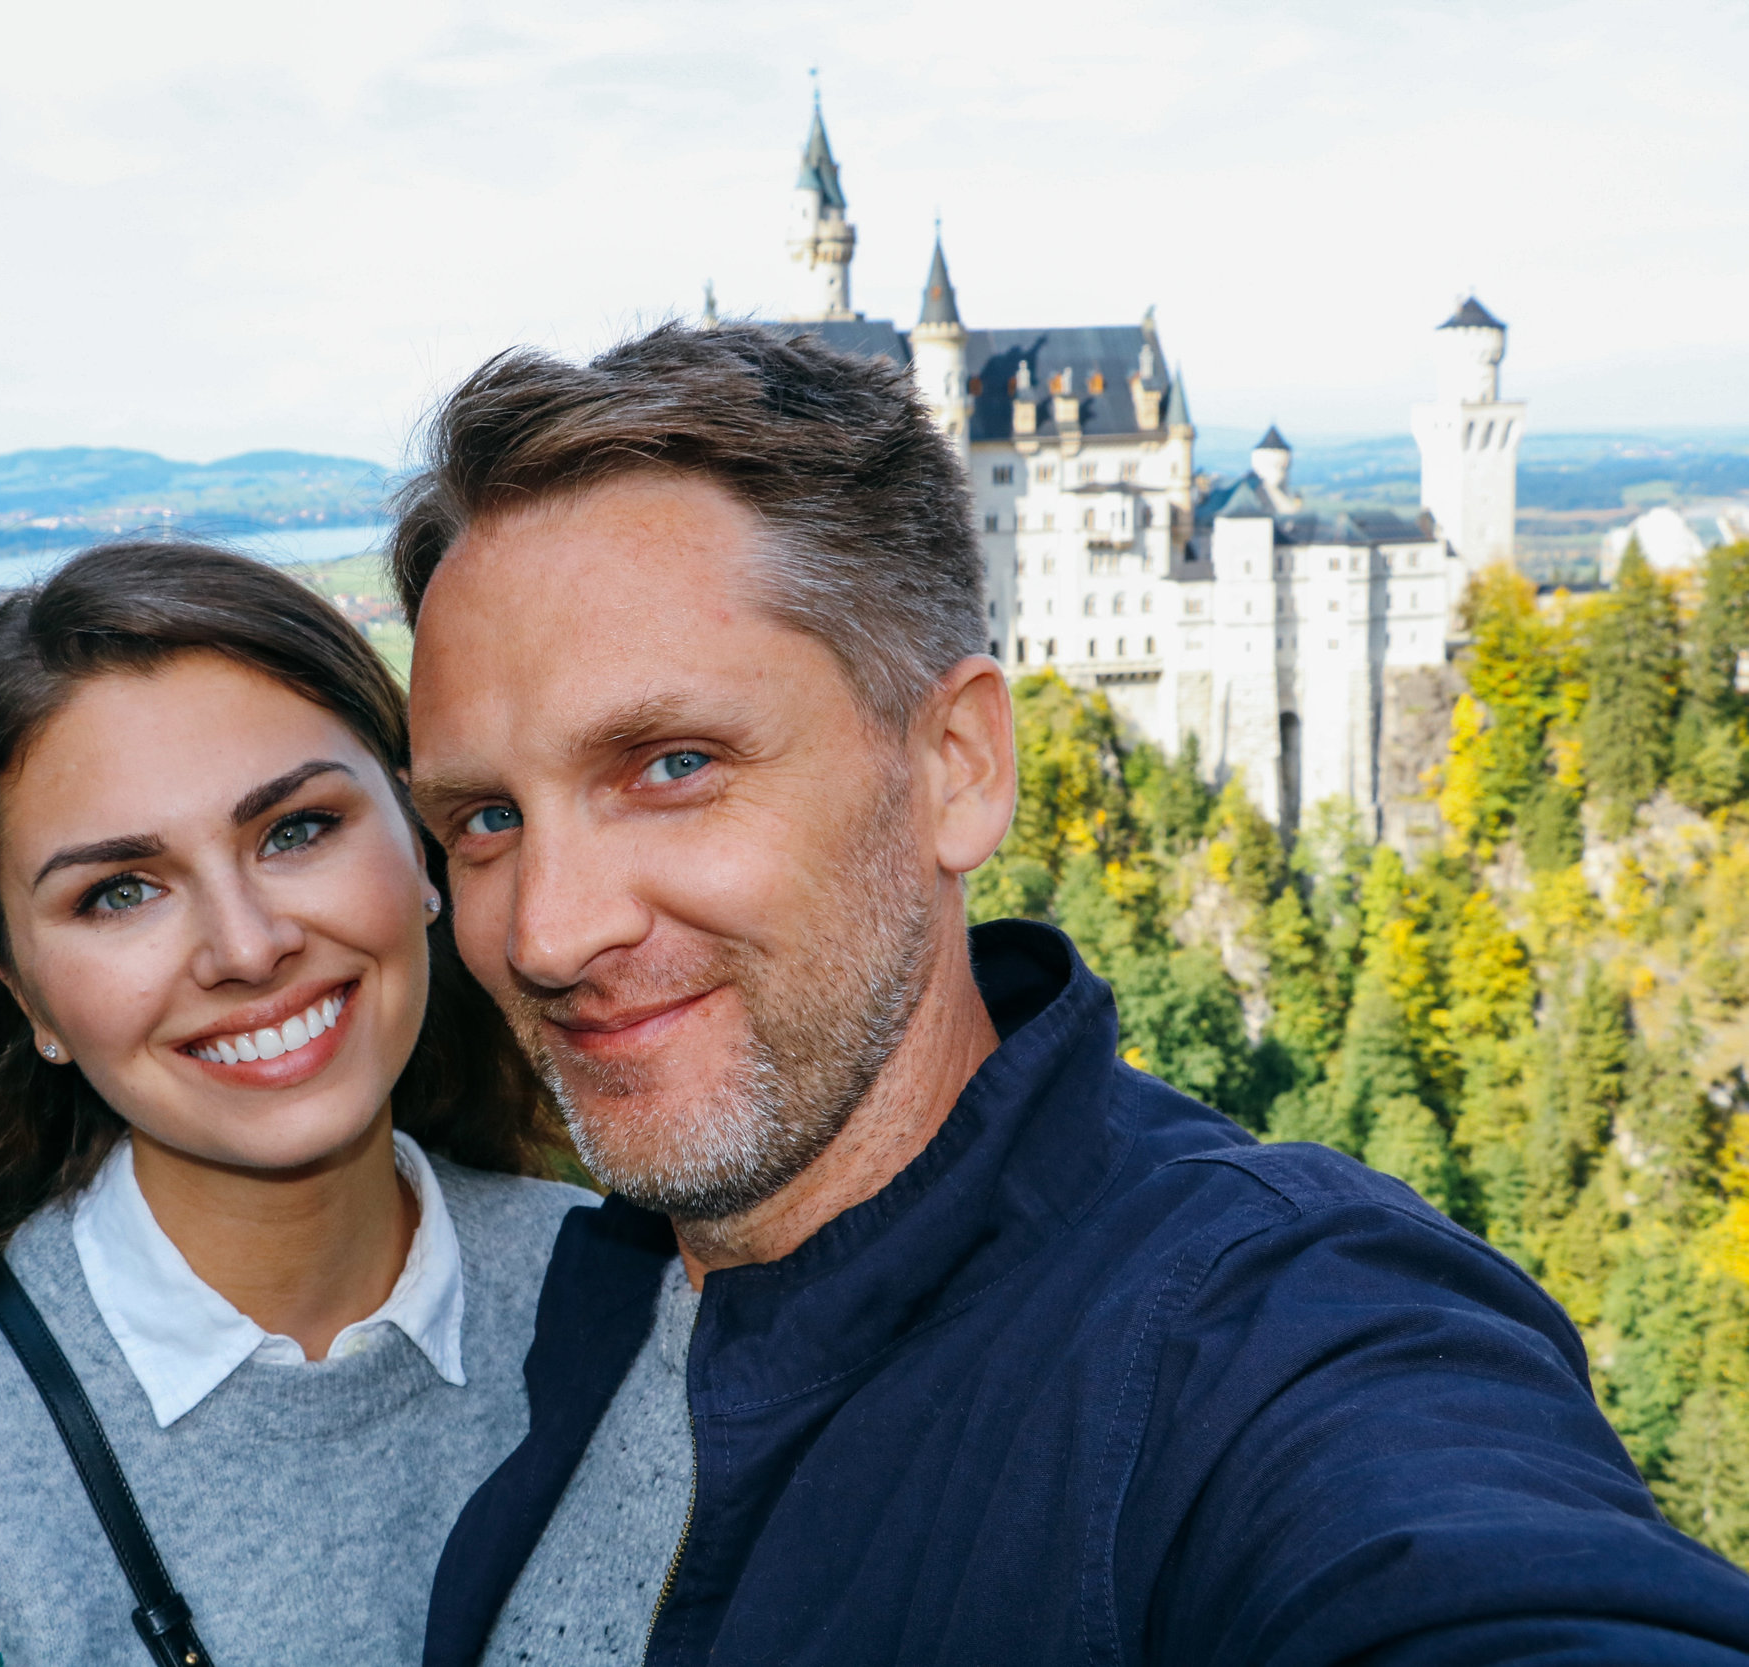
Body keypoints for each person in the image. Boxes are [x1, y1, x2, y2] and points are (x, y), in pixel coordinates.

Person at [392, 324, 1749, 1665]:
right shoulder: (573, 1304)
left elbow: (1466, 1565)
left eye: (674, 762)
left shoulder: (1250, 1327)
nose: (552, 930)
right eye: (485, 815)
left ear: (962, 764)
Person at [0, 542, 591, 1667]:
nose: (246, 945)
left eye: (296, 829)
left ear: (420, 842)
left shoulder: (634, 1305)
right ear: (18, 983)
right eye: (118, 891)